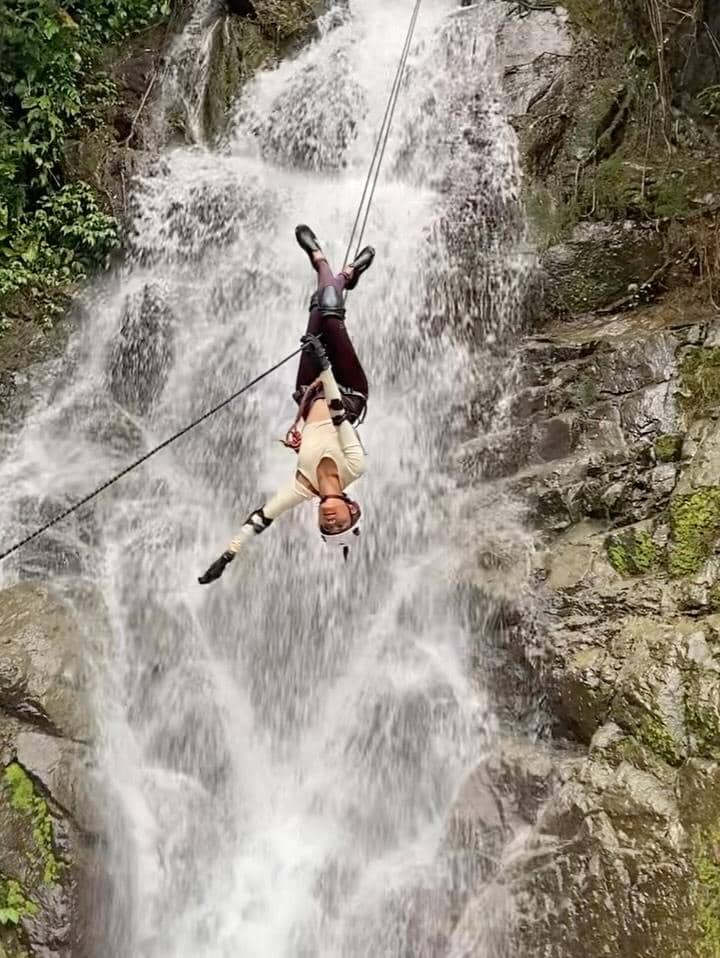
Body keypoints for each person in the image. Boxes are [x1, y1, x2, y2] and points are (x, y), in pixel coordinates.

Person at [198, 225, 375, 584]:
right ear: (351, 507)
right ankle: (334, 268)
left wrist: (228, 555)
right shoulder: (355, 468)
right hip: (348, 390)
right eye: (341, 521)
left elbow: (260, 518)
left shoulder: (301, 487)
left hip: (308, 393)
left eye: (328, 527)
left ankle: (337, 272)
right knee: (329, 309)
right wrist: (325, 365)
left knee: (320, 304)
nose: (331, 520)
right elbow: (340, 417)